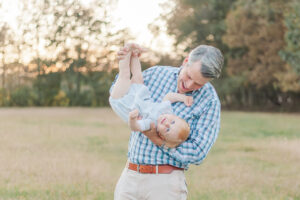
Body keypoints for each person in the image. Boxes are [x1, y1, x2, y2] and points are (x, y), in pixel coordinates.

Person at [112, 43, 224, 200]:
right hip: (130, 176)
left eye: (198, 84)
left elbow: (198, 152)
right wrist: (125, 65)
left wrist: (157, 140)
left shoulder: (209, 101)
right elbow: (121, 97)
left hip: (165, 183)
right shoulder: (156, 73)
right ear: (186, 62)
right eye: (189, 76)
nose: (189, 85)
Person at [109, 46, 192, 148]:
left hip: (123, 101)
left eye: (167, 129)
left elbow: (135, 127)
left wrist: (132, 119)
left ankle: (126, 50)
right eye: (173, 121)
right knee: (138, 76)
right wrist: (183, 98)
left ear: (161, 135)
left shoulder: (151, 124)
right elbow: (169, 97)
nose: (167, 123)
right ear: (176, 116)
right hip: (139, 95)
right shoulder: (167, 111)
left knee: (125, 75)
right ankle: (134, 54)